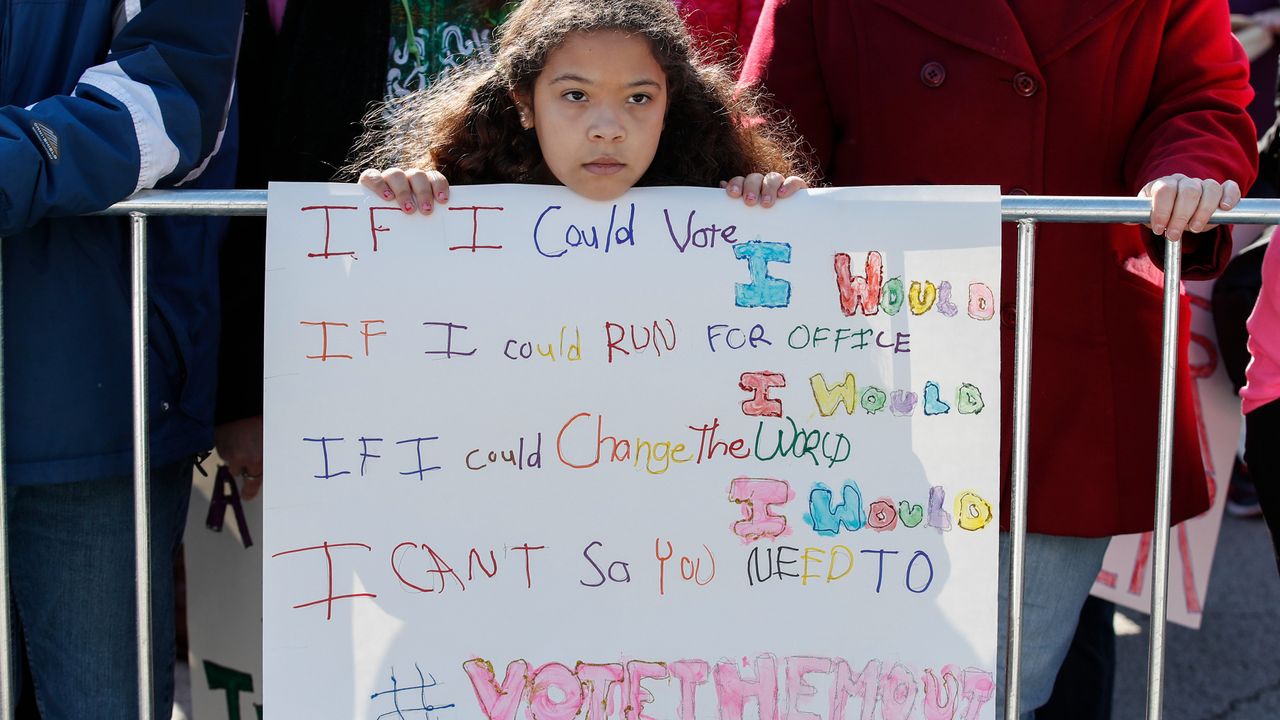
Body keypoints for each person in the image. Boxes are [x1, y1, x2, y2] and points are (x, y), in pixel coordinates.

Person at [741, 1, 1257, 716]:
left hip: (1062, 360)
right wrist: (764, 180)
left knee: (996, 689)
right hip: (870, 369)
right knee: (868, 675)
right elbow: (772, 116)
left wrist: (1190, 173)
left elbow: (1199, 97)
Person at [0, 0, 242, 717]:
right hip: (91, 392)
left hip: (90, 398)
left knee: (103, 702)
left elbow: (176, 99)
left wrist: (18, 157)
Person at [353, 0, 810, 210]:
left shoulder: (719, 206)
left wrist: (767, 208)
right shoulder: (453, 201)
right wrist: (401, 199)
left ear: (670, 104)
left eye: (639, 98)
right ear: (524, 104)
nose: (608, 128)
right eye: (576, 95)